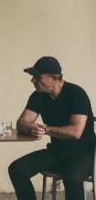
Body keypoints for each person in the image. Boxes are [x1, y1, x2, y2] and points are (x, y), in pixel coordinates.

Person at [8, 56, 95, 200]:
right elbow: (21, 122)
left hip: (84, 153)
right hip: (56, 152)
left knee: (72, 178)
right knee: (17, 169)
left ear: (54, 78)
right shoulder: (38, 96)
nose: (32, 80)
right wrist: (31, 128)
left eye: (37, 76)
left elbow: (75, 132)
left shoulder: (76, 94)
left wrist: (46, 129)